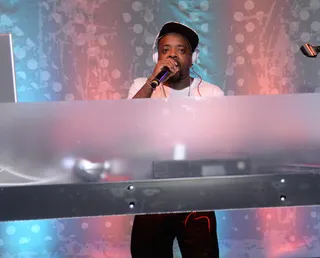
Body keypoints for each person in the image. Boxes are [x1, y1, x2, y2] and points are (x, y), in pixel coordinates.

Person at [128, 21, 224, 258]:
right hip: (152, 194)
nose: (173, 55)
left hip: (196, 194)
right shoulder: (143, 86)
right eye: (166, 50)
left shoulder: (212, 93)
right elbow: (127, 122)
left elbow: (219, 142)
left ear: (194, 57)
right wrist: (154, 79)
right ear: (156, 56)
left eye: (181, 50)